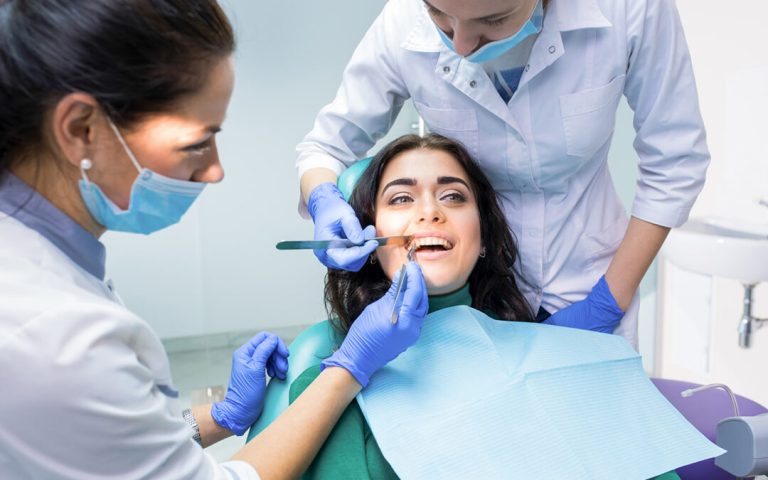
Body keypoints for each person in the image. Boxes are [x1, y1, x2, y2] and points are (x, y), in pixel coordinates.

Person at [0, 2, 426, 479]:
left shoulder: (39, 263)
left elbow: (95, 446)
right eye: (195, 142)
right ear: (80, 129)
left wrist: (222, 417)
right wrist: (348, 368)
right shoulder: (53, 333)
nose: (215, 170)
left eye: (453, 194)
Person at [296, 0, 710, 348]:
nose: (459, 44)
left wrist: (608, 301)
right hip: (476, 295)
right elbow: (326, 147)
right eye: (438, 14)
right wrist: (323, 198)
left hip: (590, 276)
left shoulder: (627, 9)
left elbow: (675, 162)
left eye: (492, 20)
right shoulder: (401, 21)